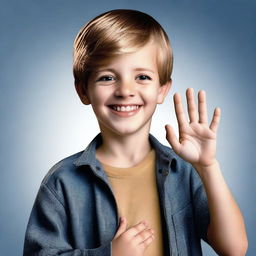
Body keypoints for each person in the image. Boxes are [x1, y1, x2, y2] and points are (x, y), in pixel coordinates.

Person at [23, 9, 248, 256]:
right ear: (83, 91)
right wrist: (110, 254)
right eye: (107, 77)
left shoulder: (184, 170)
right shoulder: (61, 182)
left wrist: (208, 166)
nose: (125, 90)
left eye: (142, 76)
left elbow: (234, 249)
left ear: (162, 89)